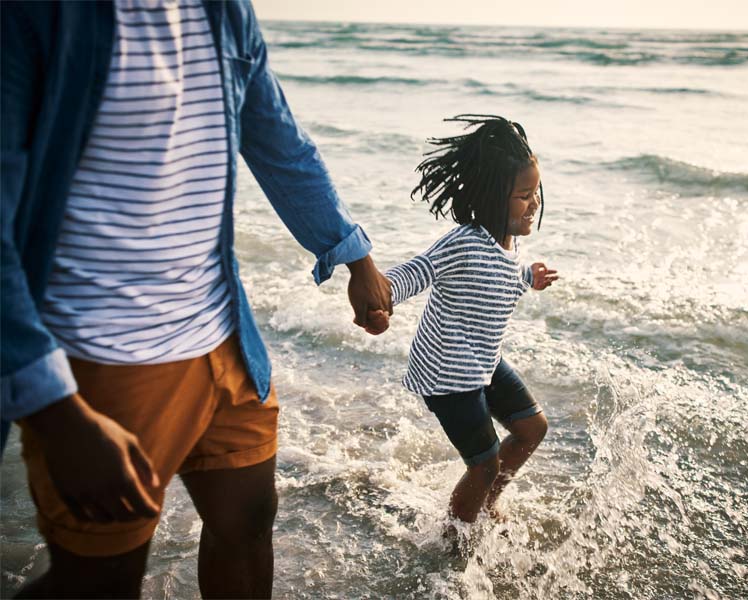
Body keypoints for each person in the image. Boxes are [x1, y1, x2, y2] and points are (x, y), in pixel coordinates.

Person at [0, 1, 390, 598]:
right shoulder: (35, 15)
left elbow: (280, 142)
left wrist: (353, 255)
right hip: (102, 357)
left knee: (249, 520)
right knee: (98, 580)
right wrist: (57, 411)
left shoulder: (223, 11)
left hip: (224, 337)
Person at [371, 114, 557, 526]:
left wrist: (530, 277)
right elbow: (419, 270)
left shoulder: (505, 243)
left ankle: (487, 502)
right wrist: (383, 297)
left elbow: (502, 274)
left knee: (532, 428)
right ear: (494, 198)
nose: (534, 203)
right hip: (448, 375)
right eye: (523, 195)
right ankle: (454, 539)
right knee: (484, 464)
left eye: (536, 192)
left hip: (483, 361)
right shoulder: (465, 242)